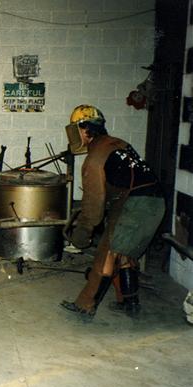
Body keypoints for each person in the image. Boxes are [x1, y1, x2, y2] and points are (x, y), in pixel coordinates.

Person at [60, 105, 165, 320]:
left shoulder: (94, 158)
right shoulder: (119, 144)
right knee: (124, 254)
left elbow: (93, 207)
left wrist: (82, 234)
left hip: (135, 203)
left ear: (83, 129)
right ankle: (130, 304)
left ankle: (85, 305)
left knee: (106, 254)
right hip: (156, 202)